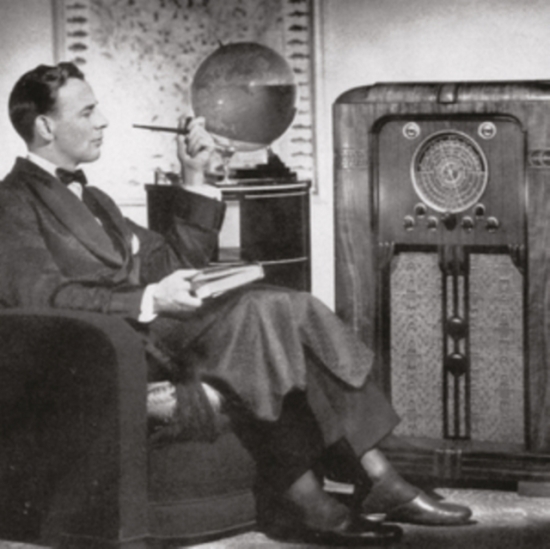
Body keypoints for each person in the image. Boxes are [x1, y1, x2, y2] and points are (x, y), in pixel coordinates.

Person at [0, 62, 472, 546]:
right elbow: (39, 298)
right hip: (107, 350)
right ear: (45, 126)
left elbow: (170, 261)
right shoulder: (11, 201)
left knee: (289, 307)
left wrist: (195, 175)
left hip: (157, 330)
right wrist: (149, 297)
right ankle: (320, 497)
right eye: (87, 111)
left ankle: (374, 475)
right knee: (260, 315)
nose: (102, 120)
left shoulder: (95, 198)